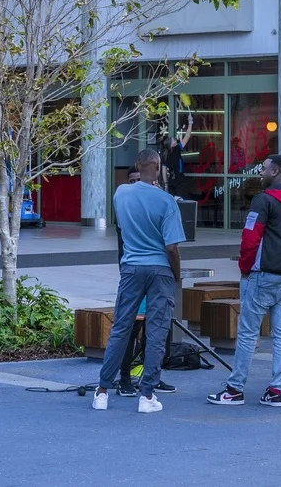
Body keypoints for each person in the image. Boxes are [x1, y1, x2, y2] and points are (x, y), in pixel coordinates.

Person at [209, 153, 281, 407]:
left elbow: (251, 237)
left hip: (263, 274)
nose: (260, 172)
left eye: (264, 169)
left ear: (275, 172)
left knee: (247, 333)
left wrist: (244, 268)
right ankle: (276, 390)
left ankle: (234, 389)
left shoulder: (263, 201)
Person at [92, 148, 184, 414]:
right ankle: (147, 395)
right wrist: (175, 275)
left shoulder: (120, 193)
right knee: (156, 332)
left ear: (137, 164)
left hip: (131, 267)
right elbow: (172, 248)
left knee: (121, 328)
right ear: (157, 166)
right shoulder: (167, 201)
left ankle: (102, 391)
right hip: (159, 269)